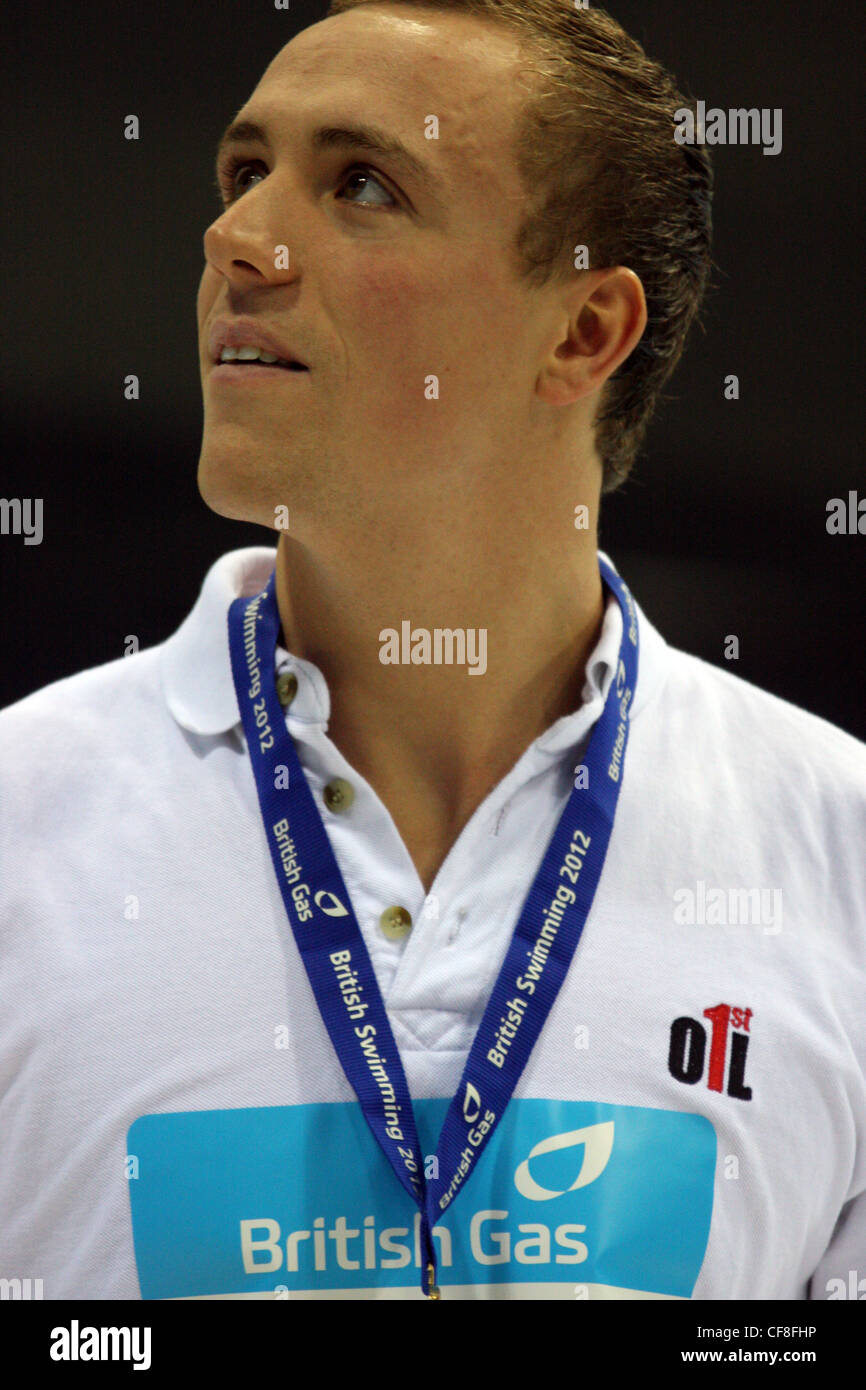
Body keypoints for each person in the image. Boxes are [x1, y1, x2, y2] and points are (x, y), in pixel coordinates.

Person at [1, 0, 863, 1302]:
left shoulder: (839, 852)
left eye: (359, 184)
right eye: (244, 173)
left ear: (581, 333)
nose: (235, 239)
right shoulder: (22, 821)